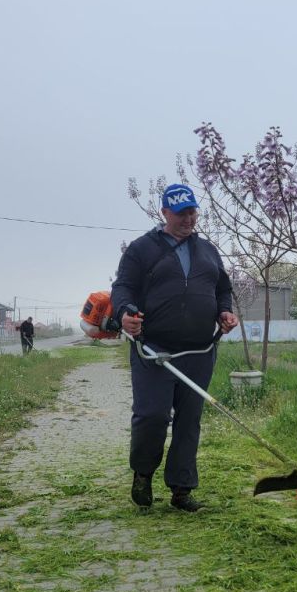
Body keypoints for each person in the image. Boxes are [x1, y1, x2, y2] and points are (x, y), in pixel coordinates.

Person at [110, 183, 238, 512]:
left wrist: (224, 311)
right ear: (165, 212)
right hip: (154, 350)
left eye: (192, 212)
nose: (188, 219)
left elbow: (222, 288)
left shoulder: (208, 250)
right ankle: (143, 473)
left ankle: (182, 490)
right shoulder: (142, 249)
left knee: (189, 420)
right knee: (152, 416)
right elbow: (122, 287)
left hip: (199, 351)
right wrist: (125, 314)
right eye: (181, 213)